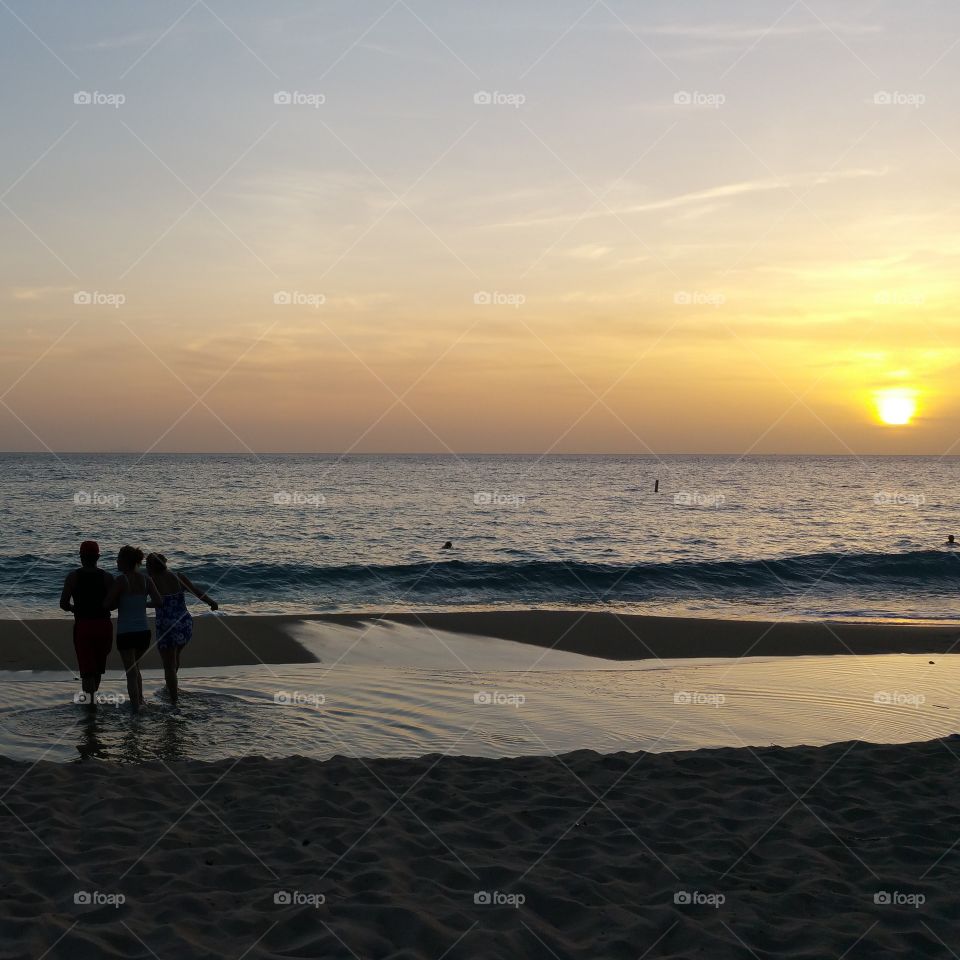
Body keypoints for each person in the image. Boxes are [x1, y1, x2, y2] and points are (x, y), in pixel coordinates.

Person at [145, 552, 218, 703]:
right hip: (185, 623)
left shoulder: (151, 581)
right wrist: (211, 602)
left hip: (167, 627)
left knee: (168, 665)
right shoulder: (178, 576)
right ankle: (172, 687)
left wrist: (140, 604)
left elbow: (152, 601)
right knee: (175, 657)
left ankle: (173, 699)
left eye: (147, 566)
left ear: (151, 567)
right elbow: (195, 591)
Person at [104, 545, 162, 711]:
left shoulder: (122, 580)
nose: (116, 561)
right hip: (143, 632)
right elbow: (159, 602)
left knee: (130, 671)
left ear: (125, 561)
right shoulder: (146, 580)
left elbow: (107, 604)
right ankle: (141, 700)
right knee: (135, 667)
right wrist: (143, 604)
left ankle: (136, 709)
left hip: (126, 632)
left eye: (118, 558)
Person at [59, 540, 114, 706]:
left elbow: (63, 603)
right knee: (97, 669)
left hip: (83, 626)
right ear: (98, 557)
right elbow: (114, 603)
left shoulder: (73, 576)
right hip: (104, 625)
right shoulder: (107, 577)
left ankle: (90, 707)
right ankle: (93, 701)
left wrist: (75, 609)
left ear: (81, 557)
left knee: (87, 670)